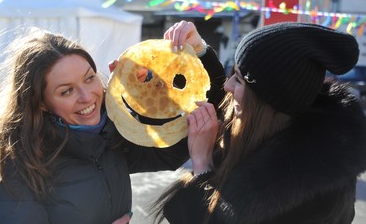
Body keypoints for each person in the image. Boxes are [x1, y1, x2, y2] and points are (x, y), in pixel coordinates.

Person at [0, 21, 226, 223]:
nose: (88, 97)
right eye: (67, 91)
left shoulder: (108, 136)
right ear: (41, 102)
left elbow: (174, 142)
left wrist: (198, 53)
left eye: (89, 78)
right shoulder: (18, 165)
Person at [152, 22, 366, 224]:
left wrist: (202, 166)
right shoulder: (283, 123)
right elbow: (223, 103)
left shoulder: (306, 195)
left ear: (266, 99)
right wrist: (199, 52)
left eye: (239, 79)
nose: (227, 85)